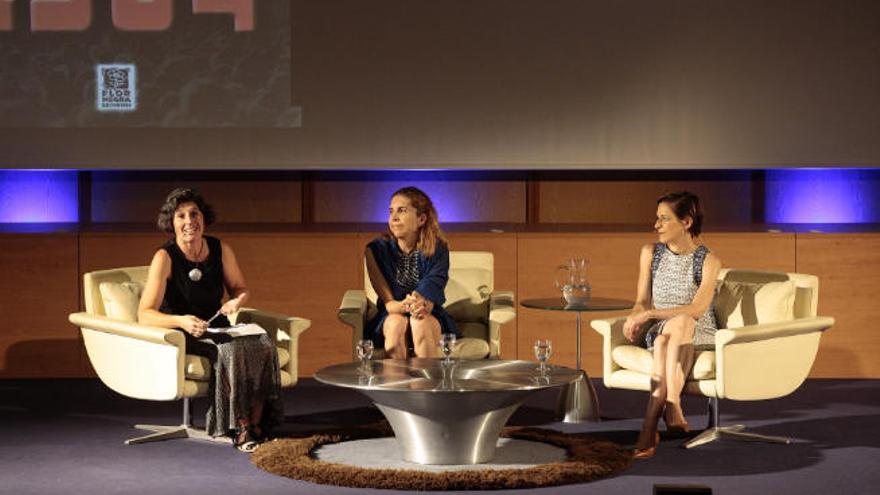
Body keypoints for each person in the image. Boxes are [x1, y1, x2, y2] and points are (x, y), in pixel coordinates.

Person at [137, 188, 283, 452]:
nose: (189, 221)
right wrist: (182, 321)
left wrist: (236, 301)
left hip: (216, 325)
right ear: (172, 223)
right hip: (183, 332)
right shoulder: (165, 257)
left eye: (194, 214)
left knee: (263, 343)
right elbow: (144, 313)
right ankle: (240, 428)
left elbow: (241, 288)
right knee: (230, 350)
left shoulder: (220, 248)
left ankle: (260, 424)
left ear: (204, 219)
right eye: (181, 216)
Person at [623, 191, 721, 459]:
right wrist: (636, 315)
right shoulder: (650, 253)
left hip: (698, 330)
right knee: (667, 333)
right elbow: (641, 301)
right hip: (662, 326)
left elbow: (698, 310)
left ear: (686, 222)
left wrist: (650, 314)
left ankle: (652, 423)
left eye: (664, 219)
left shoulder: (708, 260)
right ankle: (672, 405)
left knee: (671, 333)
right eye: (657, 219)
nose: (656, 225)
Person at [364, 186, 458, 359]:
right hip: (392, 313)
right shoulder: (376, 250)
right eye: (391, 211)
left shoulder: (438, 249)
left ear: (421, 219)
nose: (394, 218)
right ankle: (397, 384)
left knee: (419, 322)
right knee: (395, 323)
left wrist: (420, 303)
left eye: (402, 211)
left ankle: (426, 384)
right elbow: (390, 304)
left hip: (427, 313)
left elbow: (430, 296)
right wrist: (406, 305)